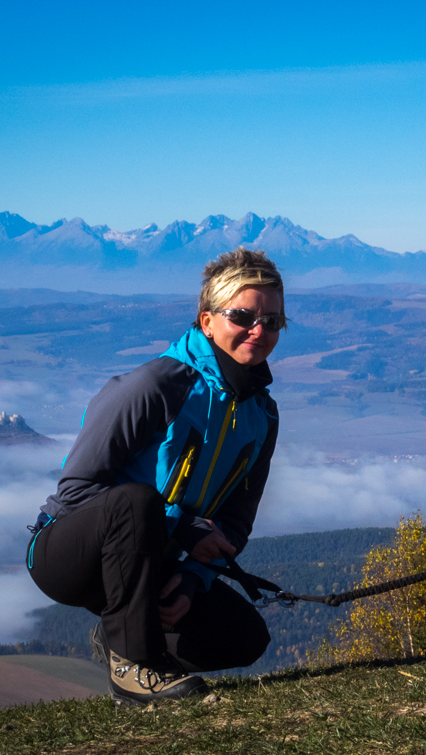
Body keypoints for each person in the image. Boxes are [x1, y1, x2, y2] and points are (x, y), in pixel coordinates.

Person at [26, 248, 286, 704]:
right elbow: (77, 489)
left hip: (153, 564)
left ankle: (120, 636)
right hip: (68, 556)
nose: (258, 331)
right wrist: (180, 526)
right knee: (136, 501)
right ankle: (134, 666)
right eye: (242, 316)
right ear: (207, 321)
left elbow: (235, 522)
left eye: (273, 322)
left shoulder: (262, 415)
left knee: (244, 637)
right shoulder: (154, 387)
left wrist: (189, 581)